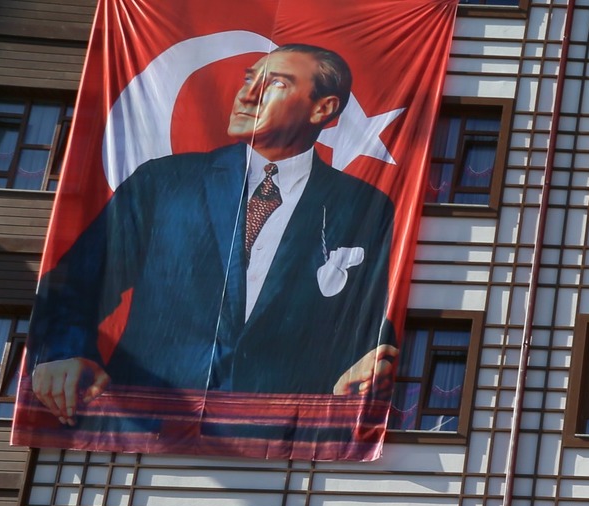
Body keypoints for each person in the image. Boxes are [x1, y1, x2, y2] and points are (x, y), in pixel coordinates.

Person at [27, 44, 396, 420]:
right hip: (146, 425)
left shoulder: (364, 206)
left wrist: (366, 364)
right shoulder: (165, 182)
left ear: (323, 108)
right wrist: (65, 353)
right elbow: (73, 286)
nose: (247, 94)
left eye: (276, 84)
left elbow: (372, 317)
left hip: (281, 437)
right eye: (249, 79)